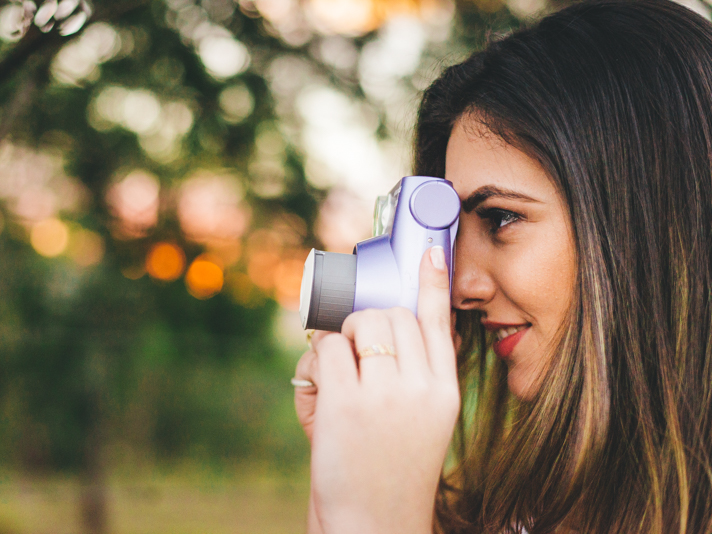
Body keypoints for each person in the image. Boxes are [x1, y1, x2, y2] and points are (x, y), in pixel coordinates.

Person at [292, 0, 712, 532]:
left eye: (501, 219)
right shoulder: (505, 512)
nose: (459, 287)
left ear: (645, 218)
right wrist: (347, 491)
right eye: (450, 236)